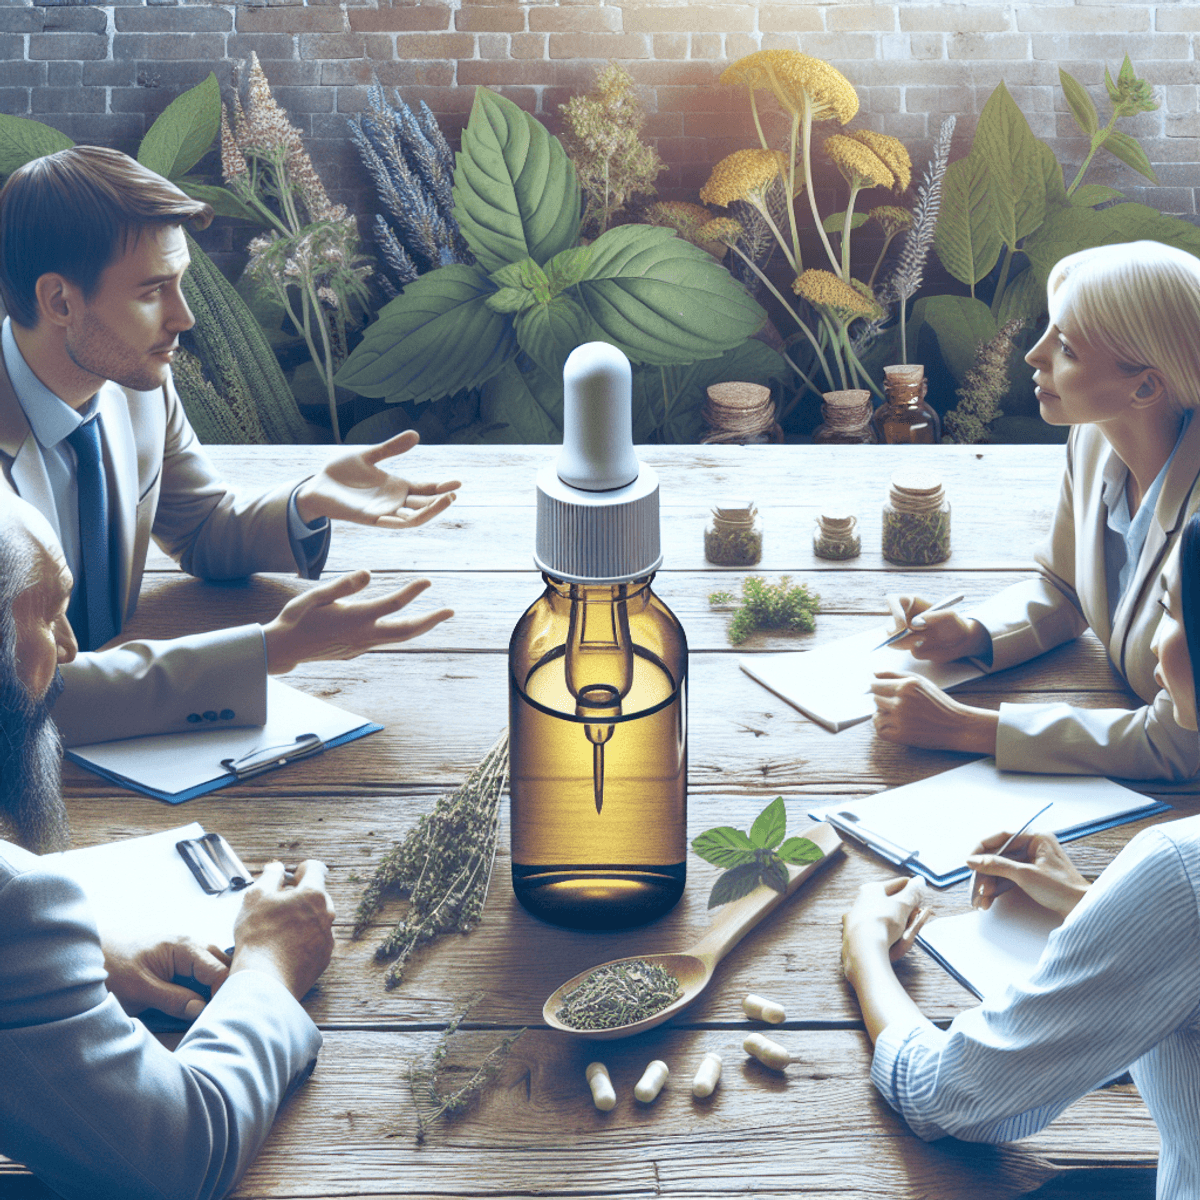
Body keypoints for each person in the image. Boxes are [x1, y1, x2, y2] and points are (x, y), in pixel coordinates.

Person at [0, 144, 461, 747]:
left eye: (182, 283)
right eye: (152, 291)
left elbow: (200, 524)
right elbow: (29, 698)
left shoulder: (136, 387)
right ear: (60, 301)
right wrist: (270, 650)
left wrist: (306, 502)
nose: (184, 317)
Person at [842, 512, 1200, 1199]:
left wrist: (863, 952)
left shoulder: (1177, 868)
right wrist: (1094, 907)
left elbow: (948, 1097)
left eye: (1170, 611)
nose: (1156, 638)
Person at [0, 494, 336, 1200]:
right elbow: (179, 1154)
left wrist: (65, 972)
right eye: (41, 615)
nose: (68, 649)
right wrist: (269, 968)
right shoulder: (16, 906)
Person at [871, 240, 1200, 781]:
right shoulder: (1093, 438)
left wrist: (965, 728)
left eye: (1066, 348)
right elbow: (1065, 587)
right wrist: (975, 633)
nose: (1034, 354)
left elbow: (1178, 746)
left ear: (1144, 385)